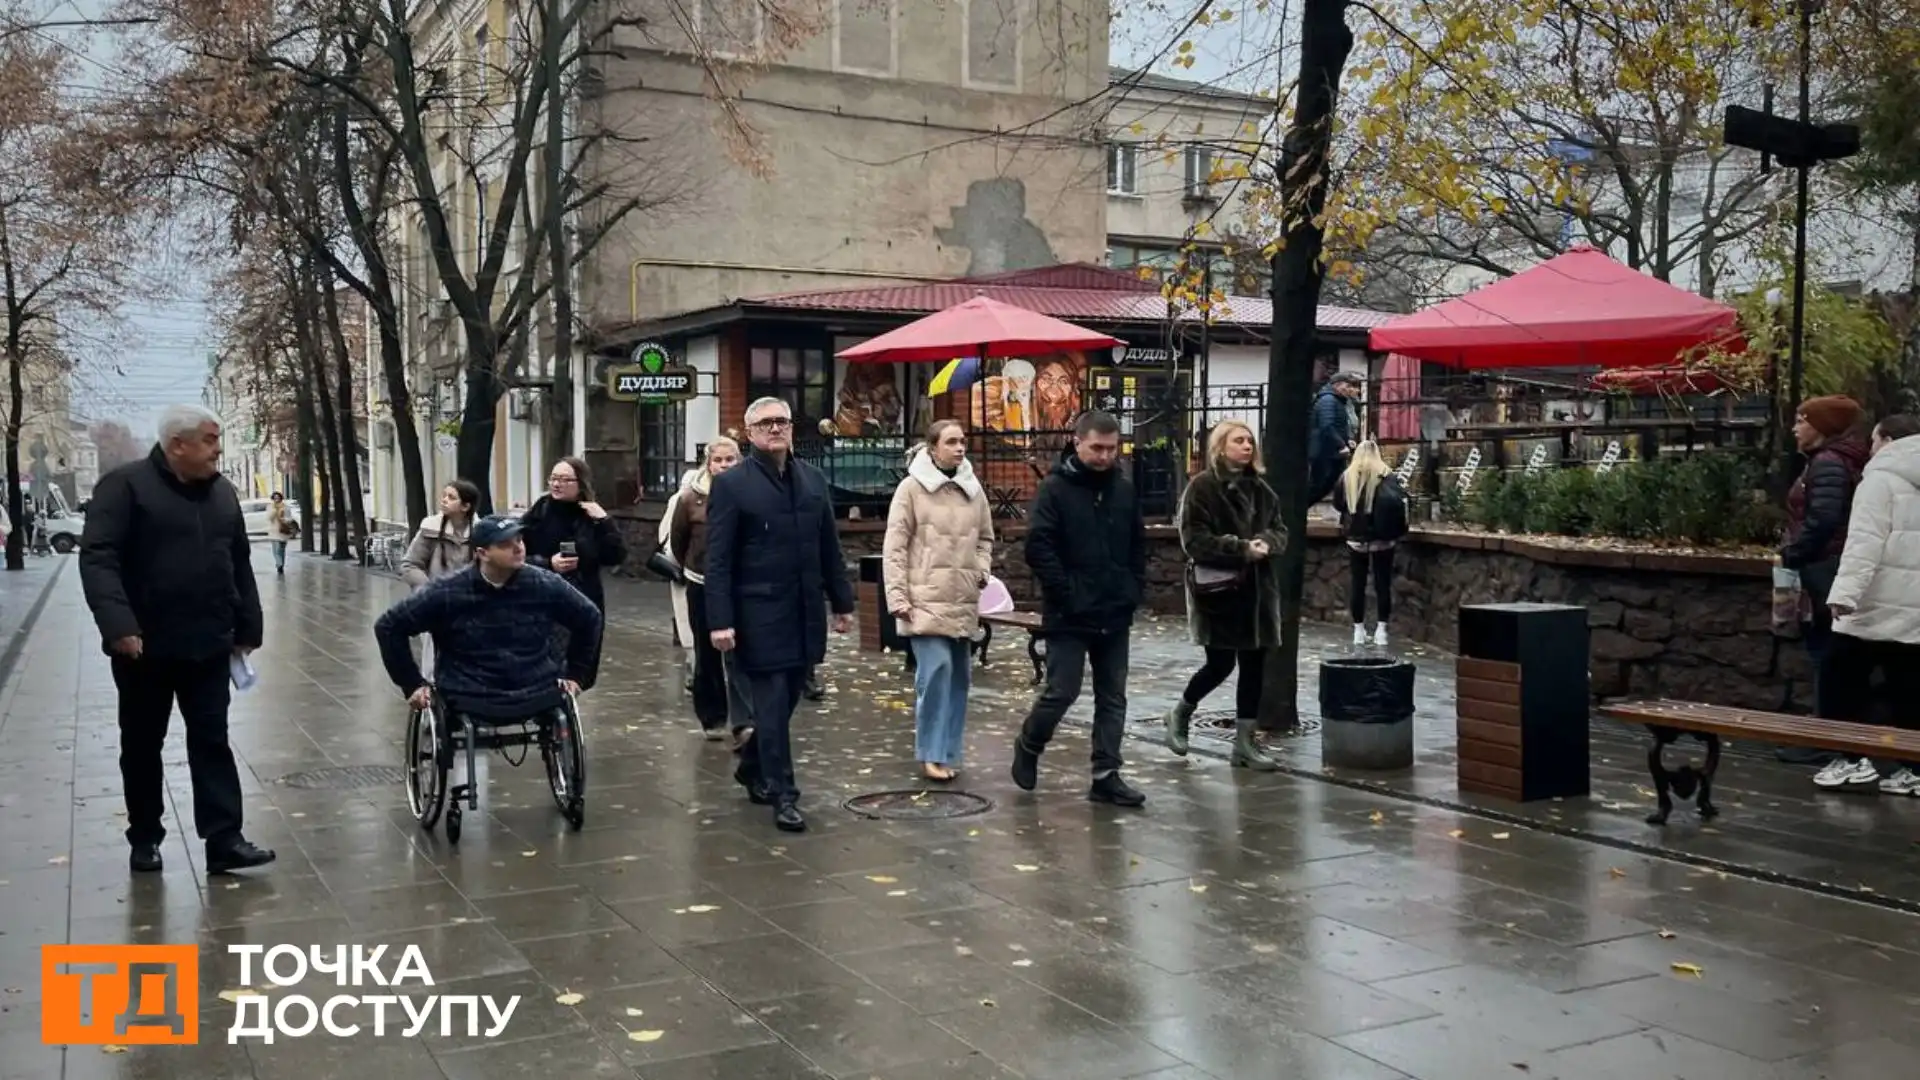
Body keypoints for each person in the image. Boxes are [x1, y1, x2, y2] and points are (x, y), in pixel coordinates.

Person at [78, 403, 275, 875]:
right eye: (209, 440)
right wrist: (119, 625)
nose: (217, 450)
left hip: (208, 643)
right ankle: (145, 836)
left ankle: (224, 838)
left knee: (212, 741)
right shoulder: (124, 488)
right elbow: (98, 558)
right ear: (177, 445)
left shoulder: (223, 493)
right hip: (144, 648)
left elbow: (239, 562)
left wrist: (248, 628)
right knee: (143, 744)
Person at [705, 396, 856, 833]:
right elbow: (719, 559)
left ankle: (751, 766)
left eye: (783, 422)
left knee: (788, 700)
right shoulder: (734, 485)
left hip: (804, 609)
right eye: (766, 423)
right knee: (770, 707)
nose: (776, 429)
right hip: (757, 614)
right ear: (749, 433)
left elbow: (829, 544)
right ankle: (784, 794)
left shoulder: (811, 480)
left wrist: (842, 602)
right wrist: (720, 620)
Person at [1010, 410, 1148, 807]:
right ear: (1077, 442)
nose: (1105, 456)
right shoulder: (1054, 489)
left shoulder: (1123, 490)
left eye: (1111, 448)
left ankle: (1106, 774)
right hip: (1070, 612)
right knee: (1062, 690)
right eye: (1097, 448)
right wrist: (1068, 592)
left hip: (1114, 609)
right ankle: (1030, 742)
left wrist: (1132, 587)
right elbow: (1038, 546)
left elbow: (1137, 544)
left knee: (1113, 696)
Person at [373, 514, 604, 725]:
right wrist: (412, 683)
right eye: (505, 544)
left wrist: (576, 674)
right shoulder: (447, 591)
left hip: (535, 689)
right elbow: (389, 626)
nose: (518, 548)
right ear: (482, 553)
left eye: (519, 540)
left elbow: (590, 616)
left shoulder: (543, 583)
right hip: (469, 693)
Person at [1162, 420, 1285, 771]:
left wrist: (1269, 542)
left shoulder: (1262, 490)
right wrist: (1243, 548)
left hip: (1258, 593)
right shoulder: (1202, 488)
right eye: (1239, 440)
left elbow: (1281, 529)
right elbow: (1194, 541)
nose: (1247, 446)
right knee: (1220, 664)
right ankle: (1179, 713)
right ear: (1221, 446)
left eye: (1250, 441)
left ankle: (1244, 744)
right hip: (1219, 594)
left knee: (1253, 666)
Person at [884, 420, 995, 782]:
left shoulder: (973, 489)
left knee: (960, 678)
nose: (960, 447)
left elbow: (986, 538)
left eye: (962, 441)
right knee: (935, 673)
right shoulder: (911, 489)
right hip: (924, 598)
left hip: (961, 597)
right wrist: (897, 596)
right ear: (933, 448)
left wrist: (980, 569)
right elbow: (895, 547)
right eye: (951, 442)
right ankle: (930, 753)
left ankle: (947, 752)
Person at [1815, 414, 1920, 793]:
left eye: (1874, 441)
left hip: (1873, 604)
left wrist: (1843, 595)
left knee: (1838, 678)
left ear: (1888, 440)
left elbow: (1864, 543)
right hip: (1913, 608)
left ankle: (1849, 759)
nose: (1870, 449)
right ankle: (1915, 769)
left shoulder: (1880, 479)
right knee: (1909, 687)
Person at [1777, 395, 1870, 769]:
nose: (1795, 427)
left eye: (1802, 420)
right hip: (1826, 565)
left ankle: (1826, 738)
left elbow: (1824, 520)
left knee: (1826, 653)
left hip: (1823, 568)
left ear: (1821, 426)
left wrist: (1793, 553)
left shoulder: (1828, 463)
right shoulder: (1829, 461)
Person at [519, 456, 626, 689]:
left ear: (581, 483)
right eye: (554, 479)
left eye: (565, 480)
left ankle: (567, 710)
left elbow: (616, 556)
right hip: (544, 597)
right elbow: (515, 557)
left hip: (584, 595)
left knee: (579, 667)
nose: (557, 484)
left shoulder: (591, 515)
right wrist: (548, 563)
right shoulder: (539, 512)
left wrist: (604, 521)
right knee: (548, 664)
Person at [668, 438, 746, 740]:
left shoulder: (748, 493)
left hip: (739, 582)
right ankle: (712, 716)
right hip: (701, 581)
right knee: (707, 651)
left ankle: (744, 717)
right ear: (708, 463)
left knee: (741, 650)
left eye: (730, 460)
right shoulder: (690, 499)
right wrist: (695, 565)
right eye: (719, 460)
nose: (725, 466)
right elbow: (679, 540)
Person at [1332, 440, 1410, 647]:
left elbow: (1339, 505)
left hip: (1355, 540)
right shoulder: (1387, 475)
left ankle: (1358, 630)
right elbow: (1399, 503)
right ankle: (1381, 631)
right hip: (1383, 539)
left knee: (1358, 584)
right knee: (1382, 583)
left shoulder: (1346, 477)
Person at [401, 480, 481, 591]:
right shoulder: (431, 528)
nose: (444, 500)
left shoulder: (481, 533)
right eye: (444, 496)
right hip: (436, 600)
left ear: (465, 506)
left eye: (451, 498)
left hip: (470, 601)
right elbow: (410, 565)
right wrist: (428, 590)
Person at [1309, 370, 1363, 504]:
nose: (1350, 389)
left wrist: (1347, 440)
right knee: (1320, 485)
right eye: (1348, 386)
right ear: (1337, 385)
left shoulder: (1336, 400)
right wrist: (1342, 444)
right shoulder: (1328, 400)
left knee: (1327, 484)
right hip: (1325, 452)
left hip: (1329, 452)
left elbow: (1335, 425)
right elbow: (1327, 426)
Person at [266, 492, 296, 574]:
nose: (276, 499)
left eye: (278, 498)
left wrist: (284, 520)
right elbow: (269, 518)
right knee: (276, 549)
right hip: (274, 531)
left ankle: (281, 564)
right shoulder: (270, 507)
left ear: (281, 498)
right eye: (275, 498)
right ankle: (279, 564)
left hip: (283, 531)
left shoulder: (285, 507)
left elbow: (289, 518)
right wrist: (275, 511)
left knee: (281, 549)